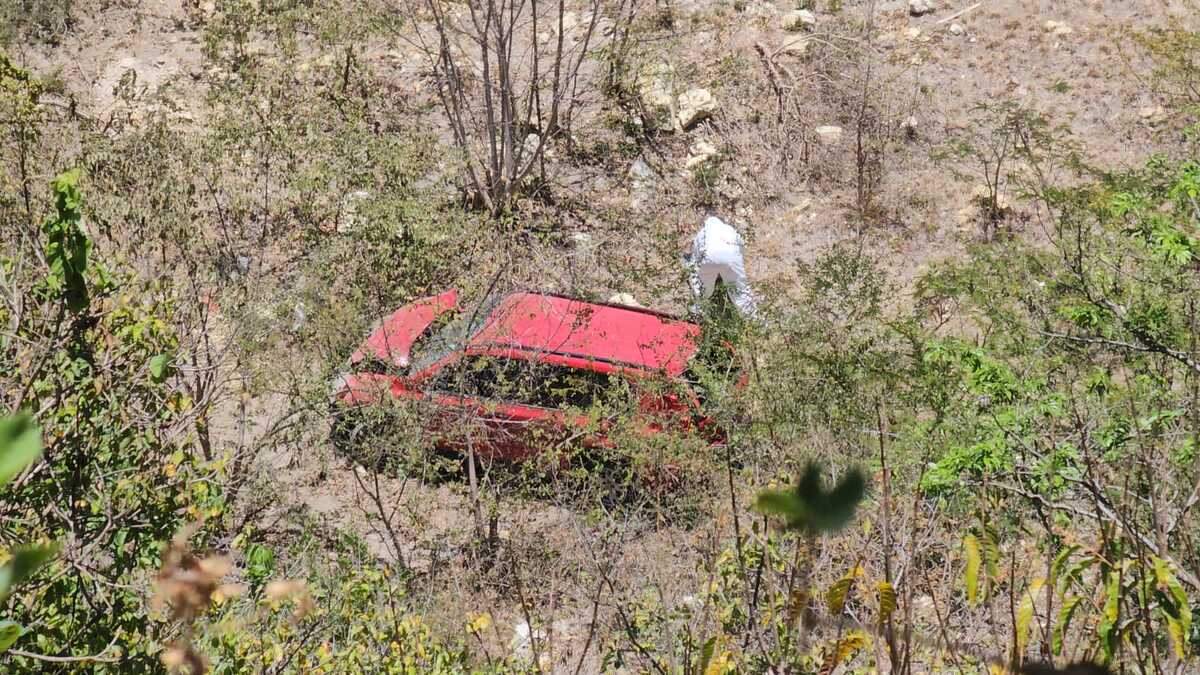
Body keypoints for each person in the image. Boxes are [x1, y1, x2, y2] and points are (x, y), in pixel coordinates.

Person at [687, 215, 758, 318]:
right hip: (732, 257)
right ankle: (754, 322)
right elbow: (742, 249)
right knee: (741, 294)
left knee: (702, 290)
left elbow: (695, 260)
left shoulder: (702, 233)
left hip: (709, 257)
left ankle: (697, 315)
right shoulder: (730, 230)